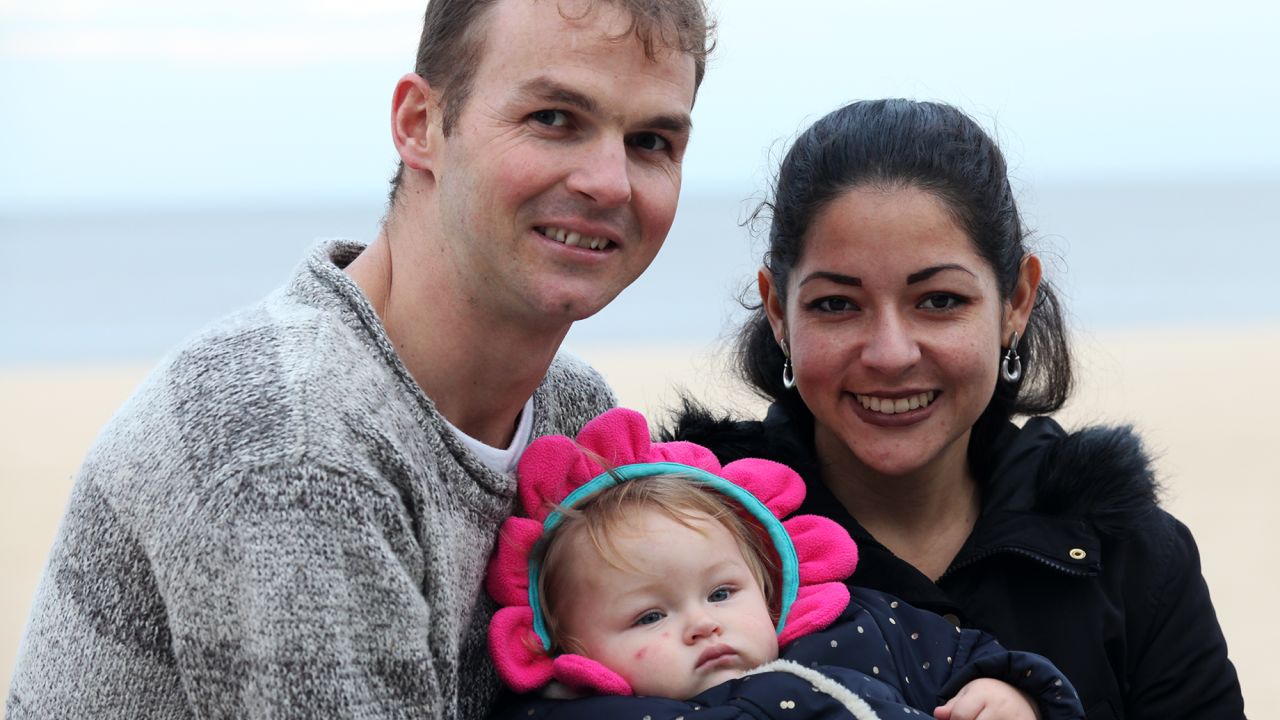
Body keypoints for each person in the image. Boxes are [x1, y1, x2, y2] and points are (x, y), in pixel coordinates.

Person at [6, 1, 711, 718]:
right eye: (554, 119)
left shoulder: (570, 411)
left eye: (651, 141)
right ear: (420, 124)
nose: (609, 183)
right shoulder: (293, 442)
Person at [665, 99, 1246, 719]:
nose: (890, 354)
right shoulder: (680, 535)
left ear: (1015, 301)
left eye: (939, 300)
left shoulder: (1130, 555)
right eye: (837, 305)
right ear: (778, 310)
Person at [484, 407, 1085, 720]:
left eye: (722, 593)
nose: (702, 624)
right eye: (648, 617)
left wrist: (1008, 693)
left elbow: (965, 655)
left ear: (768, 584)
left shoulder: (862, 632)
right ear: (570, 649)